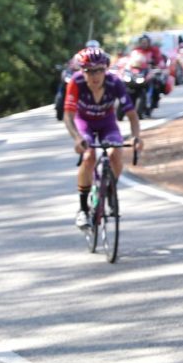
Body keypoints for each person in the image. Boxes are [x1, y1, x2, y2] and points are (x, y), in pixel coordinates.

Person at [62, 47, 143, 228]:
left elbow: (132, 114)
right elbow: (68, 116)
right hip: (85, 124)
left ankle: (109, 189)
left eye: (99, 70)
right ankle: (83, 209)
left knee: (116, 152)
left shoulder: (115, 82)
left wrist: (137, 137)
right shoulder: (76, 82)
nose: (94, 76)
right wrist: (76, 138)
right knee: (89, 155)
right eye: (89, 71)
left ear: (106, 69)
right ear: (81, 71)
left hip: (107, 123)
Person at [133, 34, 168, 109]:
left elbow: (160, 60)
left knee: (156, 82)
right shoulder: (136, 50)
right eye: (142, 42)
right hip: (138, 72)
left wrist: (159, 66)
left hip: (150, 71)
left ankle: (155, 100)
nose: (143, 44)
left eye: (145, 42)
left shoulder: (154, 50)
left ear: (149, 43)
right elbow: (130, 60)